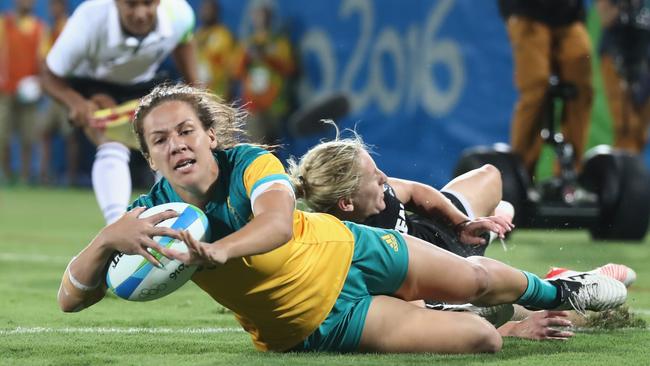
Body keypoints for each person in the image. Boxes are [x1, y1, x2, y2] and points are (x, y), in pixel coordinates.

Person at [57, 84, 627, 354]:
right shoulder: (149, 215)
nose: (176, 144)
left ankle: (561, 292)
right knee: (482, 340)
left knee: (477, 275)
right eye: (160, 140)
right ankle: (509, 315)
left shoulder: (250, 162)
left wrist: (221, 252)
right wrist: (107, 240)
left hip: (351, 248)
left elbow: (278, 223)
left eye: (186, 131)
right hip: (315, 322)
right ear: (150, 155)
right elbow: (70, 299)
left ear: (209, 134)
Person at [286, 130, 582, 340]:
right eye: (375, 179)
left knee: (490, 175)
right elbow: (420, 320)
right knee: (519, 311)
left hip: (439, 236)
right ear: (347, 204)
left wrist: (461, 224)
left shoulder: (374, 195)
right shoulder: (351, 254)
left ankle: (487, 230)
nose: (385, 179)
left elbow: (414, 192)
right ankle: (534, 265)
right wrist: (513, 331)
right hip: (441, 286)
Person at [40, 0, 199, 224]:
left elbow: (184, 41)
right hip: (94, 86)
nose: (141, 13)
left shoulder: (180, 13)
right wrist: (76, 102)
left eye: (148, 3)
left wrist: (198, 92)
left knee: (167, 146)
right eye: (131, 4)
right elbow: (48, 75)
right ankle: (117, 227)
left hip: (146, 85)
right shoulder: (89, 19)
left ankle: (169, 219)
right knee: (112, 145)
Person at [498, 0, 593, 178]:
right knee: (536, 87)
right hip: (527, 12)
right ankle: (521, 174)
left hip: (568, 17)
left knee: (581, 90)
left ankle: (570, 175)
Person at [232, 0, 296, 145]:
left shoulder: (280, 42)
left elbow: (290, 69)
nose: (261, 18)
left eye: (264, 14)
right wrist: (247, 58)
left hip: (275, 104)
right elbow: (235, 72)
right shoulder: (247, 44)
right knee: (257, 148)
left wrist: (267, 57)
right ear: (252, 18)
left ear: (270, 17)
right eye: (257, 15)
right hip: (253, 105)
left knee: (275, 148)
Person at [0, 0, 48, 184]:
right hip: (5, 91)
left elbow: (43, 60)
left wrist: (40, 84)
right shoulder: (4, 24)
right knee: (2, 136)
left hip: (30, 93)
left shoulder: (40, 28)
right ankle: (5, 175)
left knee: (29, 136)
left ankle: (25, 177)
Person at [595, 0, 650, 153]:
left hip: (644, 62)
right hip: (616, 56)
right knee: (627, 127)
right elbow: (605, 17)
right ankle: (622, 173)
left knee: (640, 132)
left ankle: (630, 173)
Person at [39, 0, 78, 186]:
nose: (53, 10)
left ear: (63, 8)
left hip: (68, 92)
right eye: (51, 6)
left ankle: (71, 177)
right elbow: (44, 58)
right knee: (45, 132)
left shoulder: (70, 28)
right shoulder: (50, 29)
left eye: (56, 6)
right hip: (53, 93)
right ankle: (44, 175)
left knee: (70, 136)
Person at [195, 0, 236, 101]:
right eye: (203, 9)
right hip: (199, 94)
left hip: (217, 95)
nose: (205, 12)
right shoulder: (198, 34)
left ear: (216, 12)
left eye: (209, 9)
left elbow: (231, 67)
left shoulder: (224, 35)